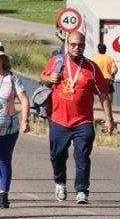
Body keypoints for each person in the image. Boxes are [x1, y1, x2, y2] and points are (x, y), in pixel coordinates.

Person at [41, 31, 115, 204]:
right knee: (57, 155)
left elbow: (104, 95)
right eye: (73, 44)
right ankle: (60, 182)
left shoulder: (91, 67)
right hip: (59, 119)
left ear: (84, 46)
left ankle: (82, 190)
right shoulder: (57, 62)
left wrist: (109, 119)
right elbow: (43, 78)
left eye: (80, 45)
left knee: (82, 156)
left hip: (83, 121)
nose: (77, 48)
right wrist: (49, 78)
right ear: (68, 45)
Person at [0, 42, 30, 210]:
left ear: (2, 59)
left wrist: (25, 120)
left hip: (9, 127)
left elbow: (24, 99)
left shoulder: (12, 78)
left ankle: (4, 194)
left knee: (4, 159)